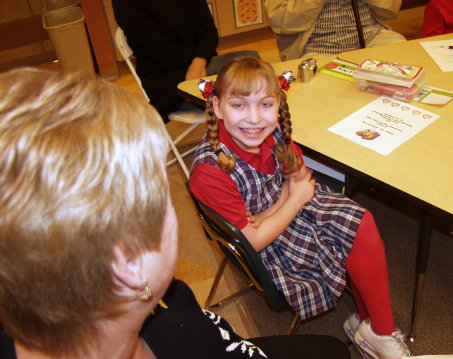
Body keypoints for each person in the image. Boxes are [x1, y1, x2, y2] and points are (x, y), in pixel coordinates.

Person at [0, 67, 350, 359]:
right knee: (333, 352)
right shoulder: (176, 326)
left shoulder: (162, 306)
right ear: (130, 262)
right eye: (158, 197)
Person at [190, 57, 412, 359]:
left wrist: (284, 199)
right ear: (217, 107)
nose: (254, 119)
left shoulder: (272, 133)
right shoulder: (211, 171)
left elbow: (299, 175)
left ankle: (374, 326)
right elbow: (254, 238)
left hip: (279, 210)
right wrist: (290, 199)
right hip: (267, 240)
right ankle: (370, 326)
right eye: (239, 105)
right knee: (345, 242)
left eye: (265, 105)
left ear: (278, 102)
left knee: (360, 222)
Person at [112, 0, 259, 122]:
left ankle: (248, 140)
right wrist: (201, 57)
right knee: (252, 73)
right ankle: (248, 141)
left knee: (253, 65)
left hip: (202, 68)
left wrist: (199, 60)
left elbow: (209, 31)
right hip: (170, 84)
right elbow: (163, 54)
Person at [264, 0, 406, 61]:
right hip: (314, 47)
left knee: (405, 61)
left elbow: (392, 10)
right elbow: (281, 23)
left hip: (372, 37)